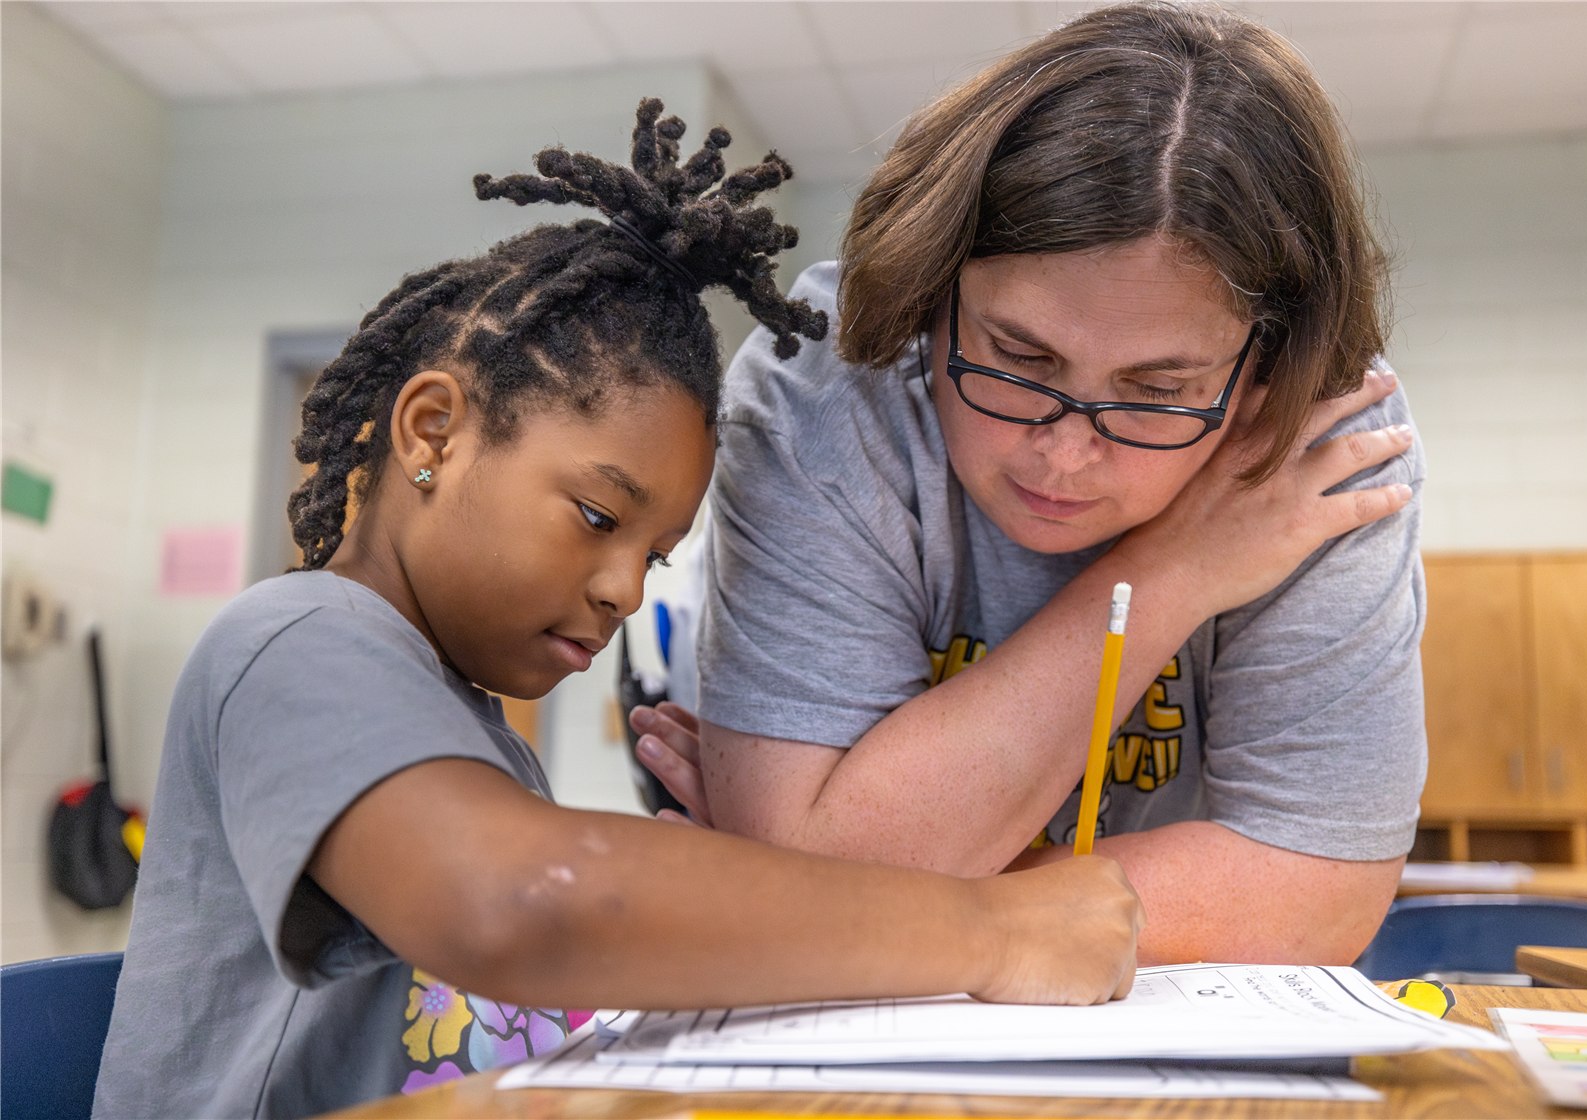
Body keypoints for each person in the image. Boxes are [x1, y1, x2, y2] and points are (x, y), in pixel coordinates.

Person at [92, 100, 1143, 1120]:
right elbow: (519, 904)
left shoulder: (460, 723)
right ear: (431, 432)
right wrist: (988, 928)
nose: (624, 588)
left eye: (656, 553)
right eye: (598, 514)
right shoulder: (298, 641)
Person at [631, 1, 1427, 968]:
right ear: (933, 294)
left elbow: (1323, 894)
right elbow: (809, 871)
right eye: (1018, 357)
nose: (1061, 454)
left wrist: (882, 876)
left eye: (1158, 391)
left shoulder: (1320, 436)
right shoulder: (824, 376)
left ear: (1263, 368)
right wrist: (1178, 568)